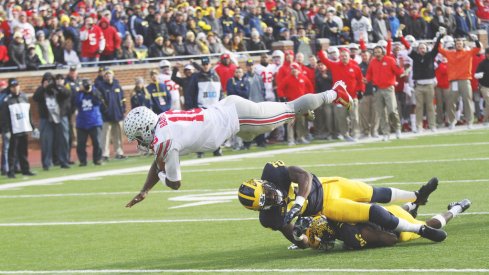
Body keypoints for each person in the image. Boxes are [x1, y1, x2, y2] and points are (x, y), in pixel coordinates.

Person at [123, 81, 352, 207]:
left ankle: (335, 92)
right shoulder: (161, 122)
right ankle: (298, 111)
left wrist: (162, 177)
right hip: (230, 121)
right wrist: (145, 190)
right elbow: (159, 159)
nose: (139, 143)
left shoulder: (164, 140)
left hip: (235, 117)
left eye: (138, 137)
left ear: (144, 129)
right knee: (253, 136)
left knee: (290, 108)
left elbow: (174, 183)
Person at [236, 161, 446, 248]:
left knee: (373, 192)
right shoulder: (270, 218)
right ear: (260, 209)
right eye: (268, 202)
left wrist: (299, 201)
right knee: (372, 211)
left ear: (264, 183)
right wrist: (306, 239)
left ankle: (416, 197)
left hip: (328, 185)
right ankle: (421, 229)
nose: (274, 198)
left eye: (270, 194)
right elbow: (292, 235)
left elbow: (304, 176)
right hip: (327, 207)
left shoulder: (273, 173)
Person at [294, 198, 471, 250]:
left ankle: (458, 208)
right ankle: (412, 204)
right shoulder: (332, 213)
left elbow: (390, 238)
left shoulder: (349, 233)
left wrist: (370, 242)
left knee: (430, 224)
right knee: (385, 213)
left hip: (395, 228)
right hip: (385, 212)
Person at [438, 35, 481, 129]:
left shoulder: (468, 53)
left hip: (465, 80)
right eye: (457, 44)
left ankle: (469, 121)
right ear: (455, 45)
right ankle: (452, 121)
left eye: (460, 44)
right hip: (454, 81)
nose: (458, 45)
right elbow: (439, 49)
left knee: (467, 100)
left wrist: (476, 40)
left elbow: (478, 48)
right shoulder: (450, 54)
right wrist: (440, 38)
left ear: (463, 45)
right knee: (451, 102)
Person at [33, 73, 71, 170]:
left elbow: (67, 94)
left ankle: (64, 161)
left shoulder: (58, 87)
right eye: (46, 80)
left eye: (50, 80)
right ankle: (47, 163)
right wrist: (43, 87)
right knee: (46, 141)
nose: (49, 82)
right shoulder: (41, 89)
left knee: (64, 139)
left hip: (60, 116)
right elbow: (35, 98)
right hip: (46, 118)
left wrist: (57, 87)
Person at [366, 45, 404, 140]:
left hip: (388, 88)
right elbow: (369, 74)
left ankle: (397, 128)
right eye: (375, 52)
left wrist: (401, 67)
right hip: (377, 89)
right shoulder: (372, 62)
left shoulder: (390, 60)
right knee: (381, 112)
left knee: (392, 110)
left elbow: (398, 72)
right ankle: (385, 133)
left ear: (383, 52)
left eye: (379, 52)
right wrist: (365, 80)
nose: (377, 54)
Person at [0, 79, 36, 178]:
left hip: (23, 127)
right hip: (13, 129)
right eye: (13, 86)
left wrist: (32, 126)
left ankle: (25, 169)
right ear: (10, 88)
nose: (15, 88)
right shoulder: (7, 100)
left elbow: (28, 113)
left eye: (16, 86)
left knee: (23, 150)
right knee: (12, 152)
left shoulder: (24, 97)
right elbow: (4, 117)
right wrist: (6, 130)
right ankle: (11, 171)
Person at [74, 79, 103, 166]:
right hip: (82, 123)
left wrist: (92, 91)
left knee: (97, 142)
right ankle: (83, 161)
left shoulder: (95, 91)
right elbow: (76, 103)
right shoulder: (79, 94)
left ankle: (97, 159)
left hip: (94, 121)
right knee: (81, 144)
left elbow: (98, 101)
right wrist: (80, 92)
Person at [98, 69, 126, 161]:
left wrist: (123, 110)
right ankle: (105, 154)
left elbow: (123, 99)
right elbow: (100, 101)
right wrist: (105, 111)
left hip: (118, 115)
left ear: (113, 75)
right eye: (106, 74)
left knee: (118, 135)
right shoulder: (101, 87)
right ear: (104, 76)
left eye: (110, 74)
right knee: (105, 136)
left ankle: (119, 152)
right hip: (107, 116)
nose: (108, 76)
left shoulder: (117, 86)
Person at [475, 47, 489, 126]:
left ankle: (485, 119)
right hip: (485, 86)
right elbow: (476, 74)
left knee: (488, 104)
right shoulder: (482, 63)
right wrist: (480, 75)